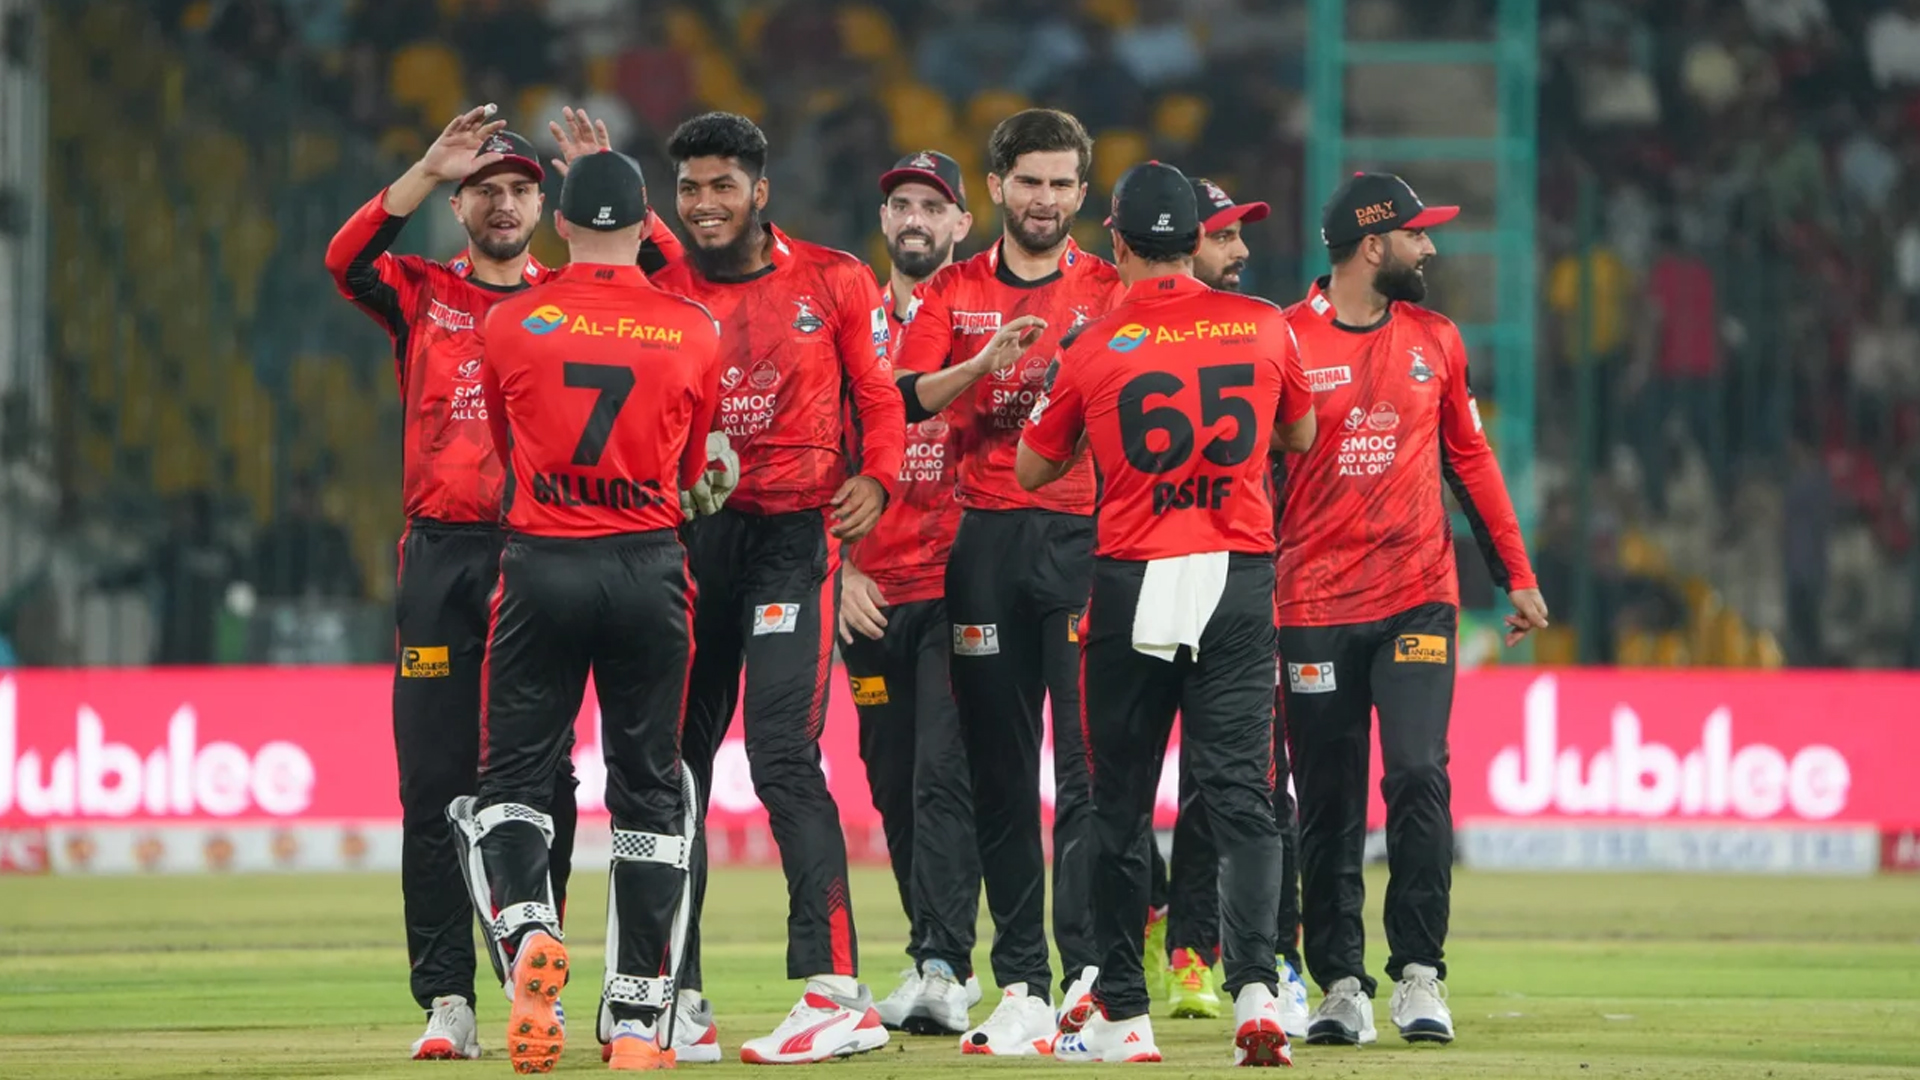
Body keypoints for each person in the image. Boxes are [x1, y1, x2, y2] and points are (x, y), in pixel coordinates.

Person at [1017, 161, 1315, 1066]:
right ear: (1196, 241)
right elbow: (1300, 434)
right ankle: (1258, 990)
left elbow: (1033, 468)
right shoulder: (1263, 324)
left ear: (1115, 243)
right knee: (1241, 794)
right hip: (1237, 574)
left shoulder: (1095, 344)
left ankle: (1124, 1011)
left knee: (1117, 800)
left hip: (1134, 574)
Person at [323, 104, 583, 1061]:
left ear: (543, 207)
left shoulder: (575, 299)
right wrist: (425, 169)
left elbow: (674, 287)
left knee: (545, 780)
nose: (503, 204)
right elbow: (343, 260)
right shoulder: (421, 291)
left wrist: (605, 186)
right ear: (459, 206)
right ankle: (447, 998)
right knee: (433, 785)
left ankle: (533, 969)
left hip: (541, 552)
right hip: (439, 558)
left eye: (519, 190)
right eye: (484, 191)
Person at [650, 111, 906, 1065]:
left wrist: (879, 476)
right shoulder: (660, 288)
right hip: (695, 536)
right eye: (689, 188)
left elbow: (878, 393)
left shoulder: (834, 279)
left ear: (760, 191)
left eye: (722, 186)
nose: (704, 204)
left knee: (781, 756)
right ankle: (676, 994)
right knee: (674, 765)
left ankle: (836, 994)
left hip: (794, 541)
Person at [463, 148, 721, 1074]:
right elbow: (692, 469)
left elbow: (507, 450)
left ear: (561, 224)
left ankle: (531, 928)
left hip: (542, 564)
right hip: (649, 566)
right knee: (649, 788)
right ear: (647, 224)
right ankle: (639, 1024)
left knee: (511, 778)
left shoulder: (510, 322)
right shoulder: (693, 326)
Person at [1279, 172, 1548, 1046]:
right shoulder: (1284, 340)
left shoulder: (1437, 338)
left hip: (1415, 597)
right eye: (1416, 234)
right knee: (1327, 800)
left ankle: (1420, 974)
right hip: (1310, 605)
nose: (1429, 247)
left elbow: (1469, 459)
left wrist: (1515, 573)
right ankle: (1339, 986)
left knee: (1419, 774)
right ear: (1372, 246)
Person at [890, 108, 1122, 1055]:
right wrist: (981, 364)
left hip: (1084, 540)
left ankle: (1091, 975)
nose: (1046, 199)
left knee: (1086, 770)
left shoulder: (1109, 287)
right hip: (983, 544)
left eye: (1063, 183)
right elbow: (906, 398)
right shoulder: (953, 289)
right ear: (996, 187)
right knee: (999, 772)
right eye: (1030, 181)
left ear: (1082, 192)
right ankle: (1023, 980)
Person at [1136, 176, 1310, 1038]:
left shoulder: (1261, 328)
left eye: (1243, 235)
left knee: (1245, 782)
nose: (1241, 251)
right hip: (1145, 572)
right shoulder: (1128, 333)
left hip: (1239, 575)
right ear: (1183, 245)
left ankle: (1248, 957)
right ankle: (1160, 933)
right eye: (1225, 236)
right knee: (1120, 782)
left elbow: (1299, 440)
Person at [839, 150, 985, 1035]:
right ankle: (931, 951)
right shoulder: (847, 321)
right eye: (901, 204)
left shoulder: (980, 314)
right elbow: (811, 450)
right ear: (884, 220)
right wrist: (837, 567)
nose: (916, 218)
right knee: (893, 783)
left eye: (933, 205)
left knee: (941, 776)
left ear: (962, 222)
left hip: (957, 584)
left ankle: (945, 964)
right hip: (868, 594)